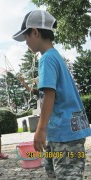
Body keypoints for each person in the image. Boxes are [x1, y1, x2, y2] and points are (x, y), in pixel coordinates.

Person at [12, 10, 91, 179]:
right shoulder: (55, 57)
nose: (25, 42)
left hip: (64, 136)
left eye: (26, 37)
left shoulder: (46, 59)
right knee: (53, 172)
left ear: (35, 32)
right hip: (62, 134)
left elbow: (49, 95)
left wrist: (40, 130)